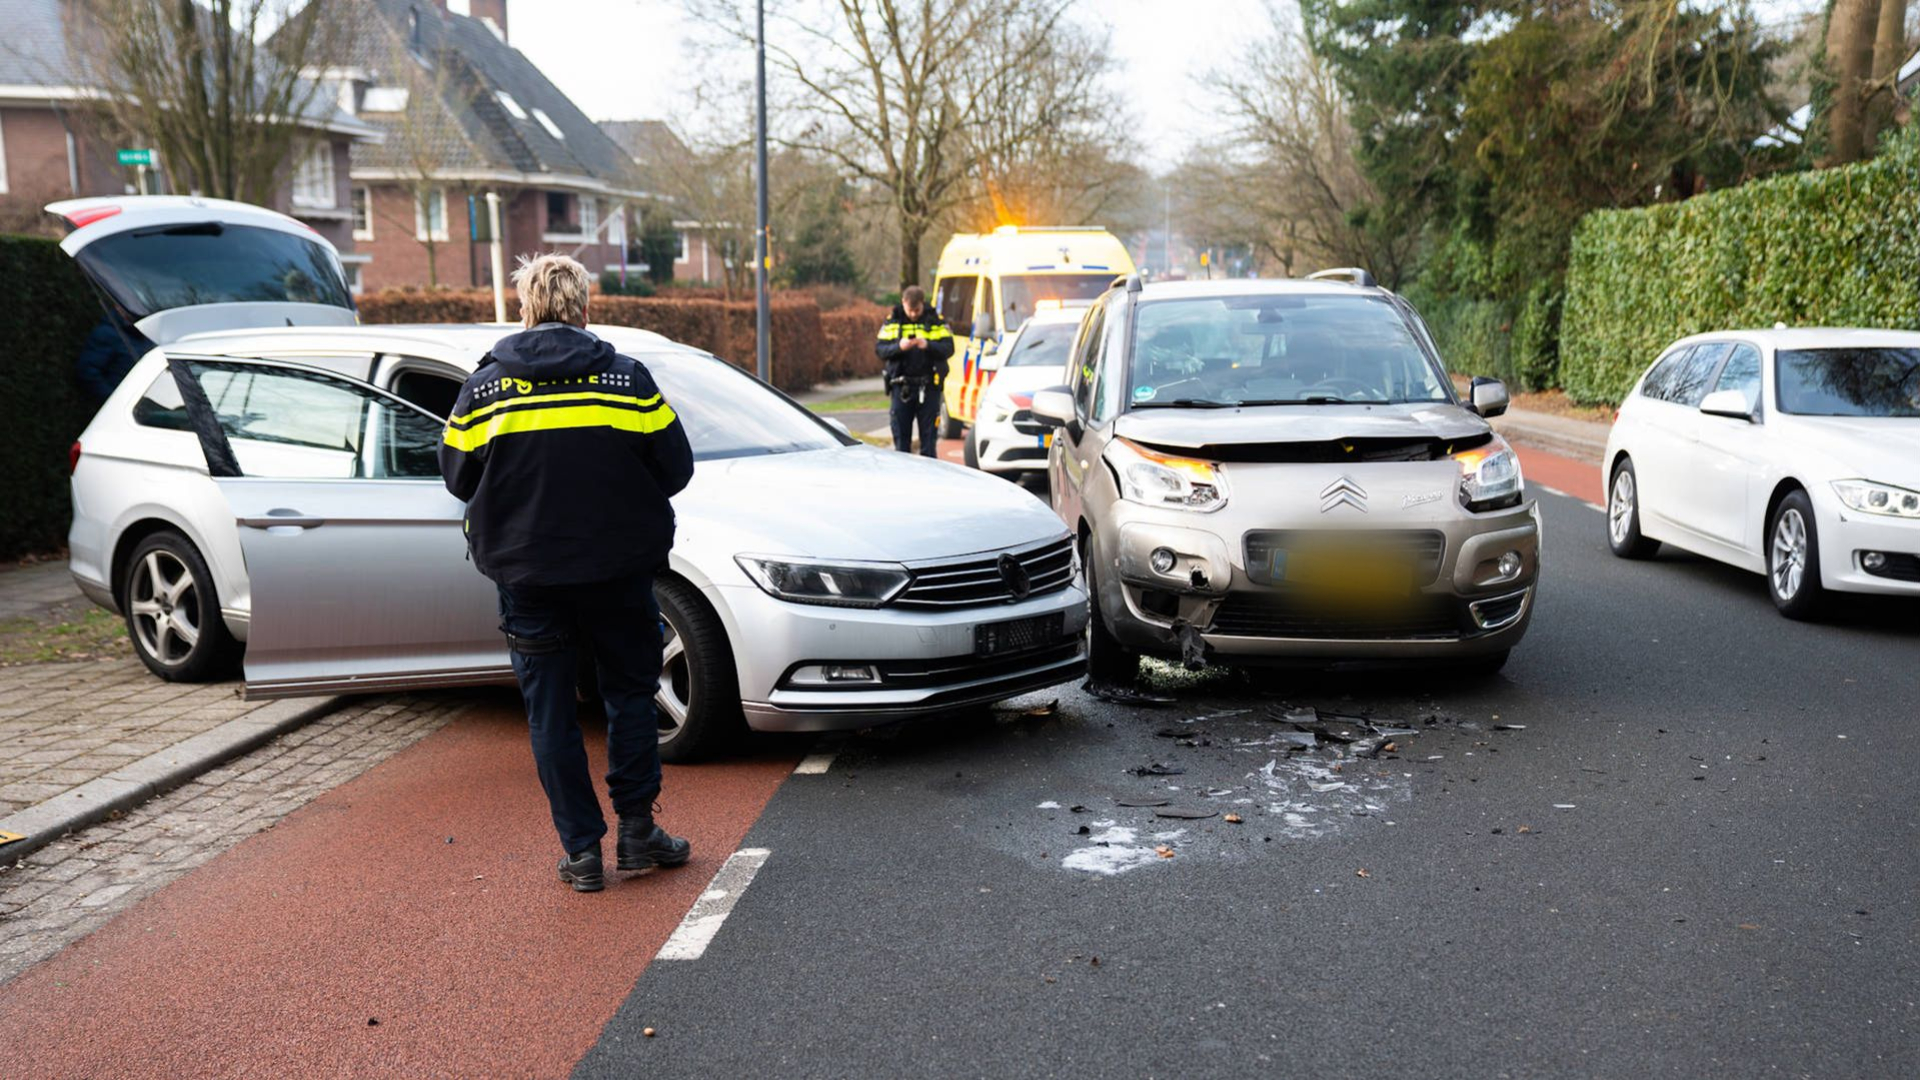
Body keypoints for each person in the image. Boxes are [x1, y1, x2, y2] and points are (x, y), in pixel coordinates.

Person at [439, 254, 696, 893]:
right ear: (584, 308)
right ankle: (638, 831)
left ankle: (582, 852)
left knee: (549, 712)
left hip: (527, 576)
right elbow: (677, 469)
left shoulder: (486, 388)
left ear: (525, 308)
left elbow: (456, 476)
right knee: (629, 694)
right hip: (618, 571)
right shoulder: (628, 380)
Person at [875, 285, 955, 456]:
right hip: (901, 387)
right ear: (903, 302)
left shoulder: (935, 320)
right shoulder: (893, 321)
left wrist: (928, 345)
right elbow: (880, 349)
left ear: (922, 303)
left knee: (929, 441)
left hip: (929, 388)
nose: (913, 314)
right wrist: (899, 347)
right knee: (901, 442)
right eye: (910, 310)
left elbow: (949, 348)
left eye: (917, 310)